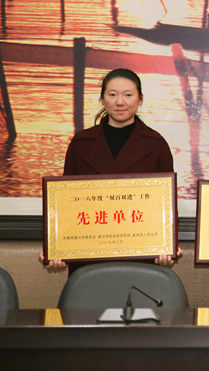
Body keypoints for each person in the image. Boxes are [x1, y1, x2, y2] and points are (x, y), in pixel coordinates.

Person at [43, 68, 178, 273]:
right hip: (88, 255)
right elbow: (65, 203)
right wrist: (57, 246)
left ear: (140, 99)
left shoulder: (156, 144)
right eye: (113, 94)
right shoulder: (81, 143)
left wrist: (168, 246)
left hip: (140, 255)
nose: (120, 102)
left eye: (128, 95)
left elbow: (167, 205)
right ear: (102, 99)